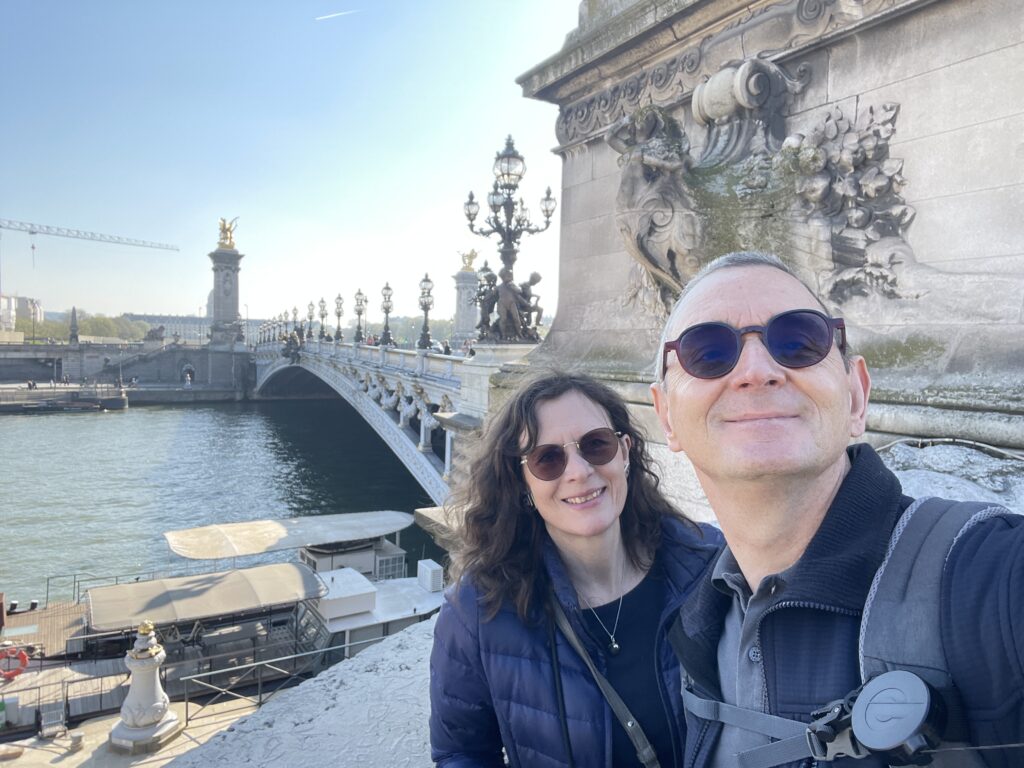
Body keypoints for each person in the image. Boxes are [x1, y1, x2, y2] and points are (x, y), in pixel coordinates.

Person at [650, 251, 1023, 768]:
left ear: (856, 395)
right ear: (667, 416)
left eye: (798, 341)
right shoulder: (692, 625)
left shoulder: (993, 575)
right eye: (707, 352)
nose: (757, 371)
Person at [430, 372, 722, 767]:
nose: (578, 471)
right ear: (521, 482)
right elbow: (461, 752)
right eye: (547, 459)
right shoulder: (478, 611)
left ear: (625, 452)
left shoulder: (708, 563)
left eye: (596, 444)